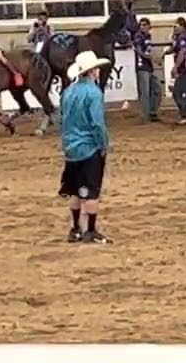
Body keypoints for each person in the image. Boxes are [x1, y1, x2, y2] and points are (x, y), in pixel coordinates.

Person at [59, 50, 113, 244]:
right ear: (92, 71)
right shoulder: (94, 92)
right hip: (88, 147)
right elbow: (97, 123)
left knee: (74, 189)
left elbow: (62, 118)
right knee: (91, 189)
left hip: (71, 147)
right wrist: (103, 144)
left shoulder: (67, 92)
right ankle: (90, 230)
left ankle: (75, 228)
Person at [132, 17, 161, 123]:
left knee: (157, 89)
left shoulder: (148, 36)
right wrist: (152, 58)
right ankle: (145, 116)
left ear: (149, 26)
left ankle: (153, 112)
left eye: (144, 25)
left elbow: (148, 51)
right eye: (141, 25)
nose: (142, 27)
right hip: (142, 67)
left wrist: (153, 58)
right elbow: (139, 51)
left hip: (149, 67)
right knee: (145, 93)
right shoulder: (138, 36)